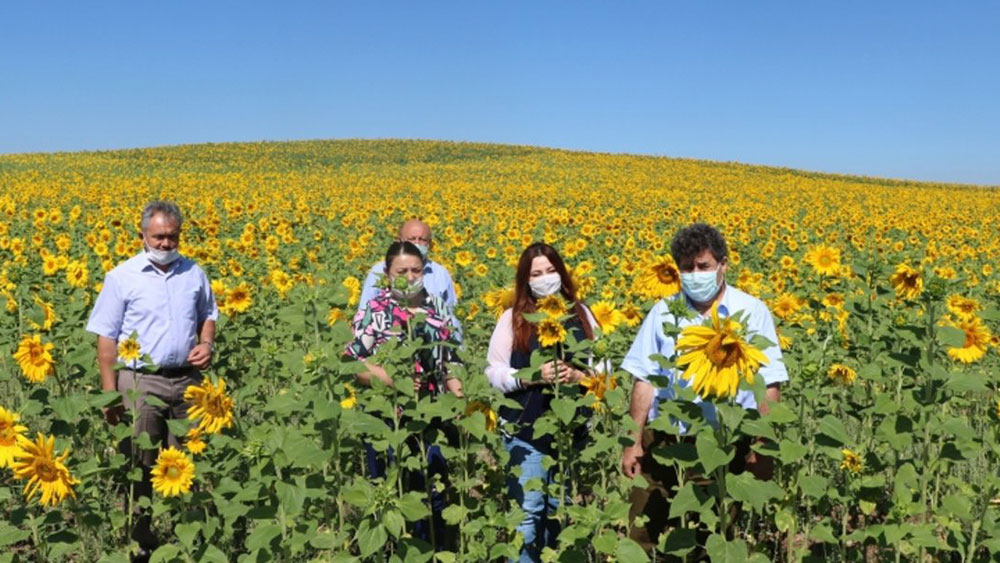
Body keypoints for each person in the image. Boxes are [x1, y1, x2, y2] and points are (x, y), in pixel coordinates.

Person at [619, 223, 788, 552]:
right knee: (640, 531)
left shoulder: (751, 312)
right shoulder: (664, 312)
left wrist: (762, 444)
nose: (695, 274)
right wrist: (633, 441)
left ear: (723, 265)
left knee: (709, 537)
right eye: (687, 268)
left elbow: (769, 384)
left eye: (704, 266)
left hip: (722, 442)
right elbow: (643, 379)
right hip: (664, 437)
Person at [86, 201, 218, 561]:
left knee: (189, 462)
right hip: (140, 381)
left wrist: (206, 343)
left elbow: (208, 314)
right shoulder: (122, 276)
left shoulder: (194, 272)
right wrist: (110, 394)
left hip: (188, 381)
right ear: (141, 235)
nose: (165, 244)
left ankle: (183, 539)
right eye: (158, 236)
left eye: (172, 236)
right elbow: (106, 339)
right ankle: (139, 545)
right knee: (139, 466)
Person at [485, 242, 605, 563]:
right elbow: (493, 371)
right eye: (536, 273)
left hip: (571, 431)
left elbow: (603, 369)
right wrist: (530, 376)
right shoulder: (513, 318)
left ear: (561, 273)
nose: (544, 278)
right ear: (526, 280)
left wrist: (578, 376)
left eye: (550, 271)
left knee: (558, 513)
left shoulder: (581, 314)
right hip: (526, 431)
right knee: (527, 516)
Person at [346, 240, 463, 550]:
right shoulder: (376, 309)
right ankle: (391, 553)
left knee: (433, 494)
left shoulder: (436, 305)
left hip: (432, 415)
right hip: (388, 420)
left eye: (416, 270)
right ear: (387, 274)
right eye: (402, 271)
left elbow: (449, 357)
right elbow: (352, 360)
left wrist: (461, 396)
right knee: (389, 495)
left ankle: (431, 552)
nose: (410, 276)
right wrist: (388, 378)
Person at [358, 219, 458, 313]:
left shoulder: (440, 274)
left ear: (430, 244)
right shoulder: (379, 271)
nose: (417, 243)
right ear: (399, 241)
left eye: (422, 239)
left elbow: (451, 315)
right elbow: (364, 311)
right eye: (412, 239)